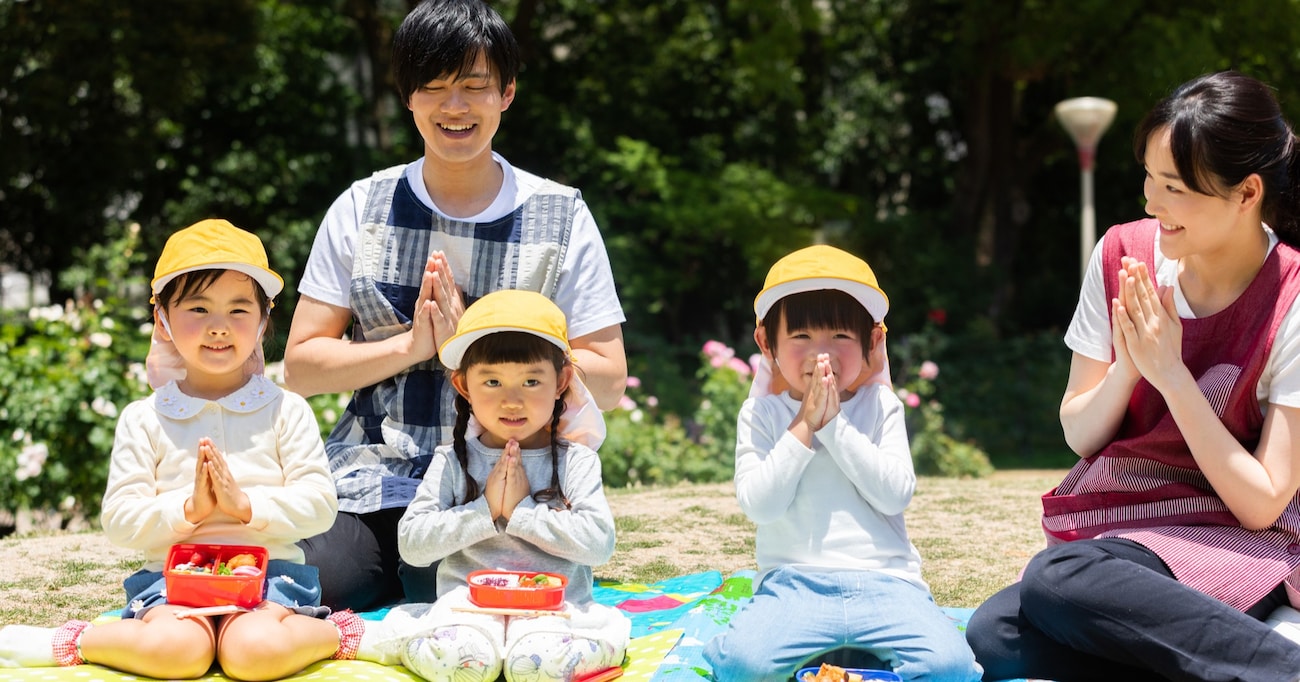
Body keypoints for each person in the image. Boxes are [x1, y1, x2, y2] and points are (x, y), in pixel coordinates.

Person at [285, 0, 627, 612]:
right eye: (435, 88)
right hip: (378, 470)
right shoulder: (363, 206)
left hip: (513, 471)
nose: (455, 107)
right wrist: (412, 347)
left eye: (475, 87)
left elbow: (606, 378)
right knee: (318, 583)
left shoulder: (561, 214)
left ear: (508, 94)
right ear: (408, 97)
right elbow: (302, 367)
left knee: (467, 595)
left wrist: (484, 337)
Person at [966, 70, 1300, 682]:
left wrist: (1172, 376)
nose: (1151, 202)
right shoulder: (1122, 255)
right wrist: (1130, 365)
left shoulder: (1293, 296)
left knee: (1057, 580)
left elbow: (1261, 501)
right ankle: (1227, 653)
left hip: (1234, 536)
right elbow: (1080, 433)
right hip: (1127, 528)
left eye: (1173, 186)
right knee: (994, 635)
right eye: (1148, 177)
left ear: (1247, 193)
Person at [0, 219, 350, 680]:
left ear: (265, 320)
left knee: (255, 652)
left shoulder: (288, 410)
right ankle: (72, 639)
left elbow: (320, 508)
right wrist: (189, 509)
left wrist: (246, 507)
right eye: (199, 309)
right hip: (169, 583)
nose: (219, 328)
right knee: (176, 652)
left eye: (239, 310)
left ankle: (346, 632)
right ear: (162, 319)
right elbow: (120, 521)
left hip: (273, 583)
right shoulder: (145, 417)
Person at [703, 245, 982, 682]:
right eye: (801, 338)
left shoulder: (880, 405)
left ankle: (847, 655)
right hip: (793, 586)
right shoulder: (760, 414)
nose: (822, 354)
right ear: (766, 343)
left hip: (887, 585)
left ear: (872, 342)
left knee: (952, 668)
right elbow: (761, 507)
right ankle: (834, 652)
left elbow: (895, 495)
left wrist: (833, 424)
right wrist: (804, 424)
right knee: (742, 667)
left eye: (840, 337)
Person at [327, 289, 628, 681]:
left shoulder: (576, 461)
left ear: (562, 381)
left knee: (541, 664)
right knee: (462, 659)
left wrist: (519, 512)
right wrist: (485, 511)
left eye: (532, 381)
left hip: (553, 613)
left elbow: (598, 544)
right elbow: (413, 545)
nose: (512, 401)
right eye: (492, 382)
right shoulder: (452, 460)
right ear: (464, 385)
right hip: (467, 611)